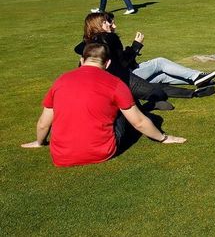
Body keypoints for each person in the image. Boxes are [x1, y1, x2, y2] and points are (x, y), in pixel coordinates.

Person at [21, 43, 185, 167]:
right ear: (107, 64)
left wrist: (39, 142)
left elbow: (44, 123)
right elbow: (138, 122)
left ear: (82, 60)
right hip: (102, 151)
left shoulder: (60, 81)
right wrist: (164, 138)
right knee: (126, 108)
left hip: (61, 156)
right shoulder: (115, 83)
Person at [75, 12, 215, 106]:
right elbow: (123, 63)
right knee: (159, 62)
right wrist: (136, 46)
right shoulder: (109, 38)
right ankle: (196, 76)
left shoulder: (89, 43)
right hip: (126, 78)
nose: (112, 26)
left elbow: (78, 48)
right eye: (108, 23)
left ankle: (199, 79)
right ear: (98, 25)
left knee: (162, 77)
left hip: (116, 81)